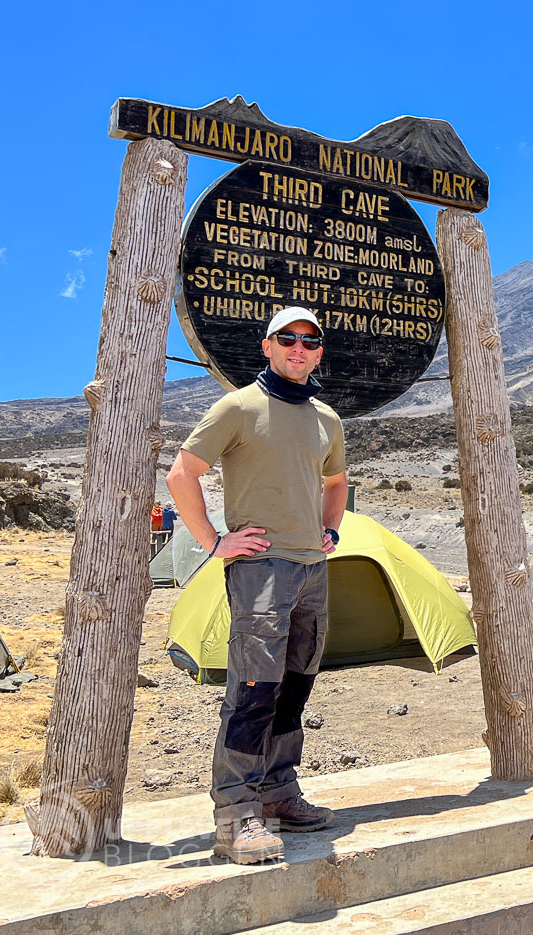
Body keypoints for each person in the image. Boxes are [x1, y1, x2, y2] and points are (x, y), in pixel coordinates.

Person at [166, 307, 348, 865]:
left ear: (320, 352)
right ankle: (236, 816)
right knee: (253, 688)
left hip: (311, 568)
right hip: (260, 570)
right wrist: (216, 542)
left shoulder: (326, 419)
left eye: (310, 341)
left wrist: (330, 528)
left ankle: (279, 792)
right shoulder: (238, 406)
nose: (299, 348)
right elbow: (181, 474)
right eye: (287, 339)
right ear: (267, 347)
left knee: (295, 683)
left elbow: (336, 481)